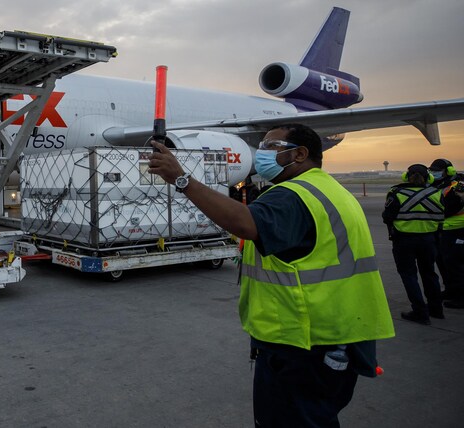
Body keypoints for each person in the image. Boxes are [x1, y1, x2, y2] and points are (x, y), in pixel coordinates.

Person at [147, 123, 394, 427]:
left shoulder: (292, 196)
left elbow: (245, 223)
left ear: (300, 154)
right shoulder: (327, 190)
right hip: (337, 335)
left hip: (304, 342)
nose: (260, 153)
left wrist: (182, 179)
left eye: (270, 147)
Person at [382, 164, 444, 324]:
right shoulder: (437, 193)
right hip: (429, 240)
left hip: (404, 241)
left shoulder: (397, 193)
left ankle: (420, 312)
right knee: (430, 274)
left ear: (406, 176)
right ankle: (436, 309)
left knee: (409, 276)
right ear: (428, 177)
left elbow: (387, 217)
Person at [430, 159, 464, 308]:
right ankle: (451, 290)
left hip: (458, 229)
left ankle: (461, 297)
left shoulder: (458, 186)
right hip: (443, 229)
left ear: (448, 171)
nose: (434, 173)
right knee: (443, 262)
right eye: (432, 170)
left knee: (455, 263)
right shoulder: (438, 185)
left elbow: (452, 207)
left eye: (437, 170)